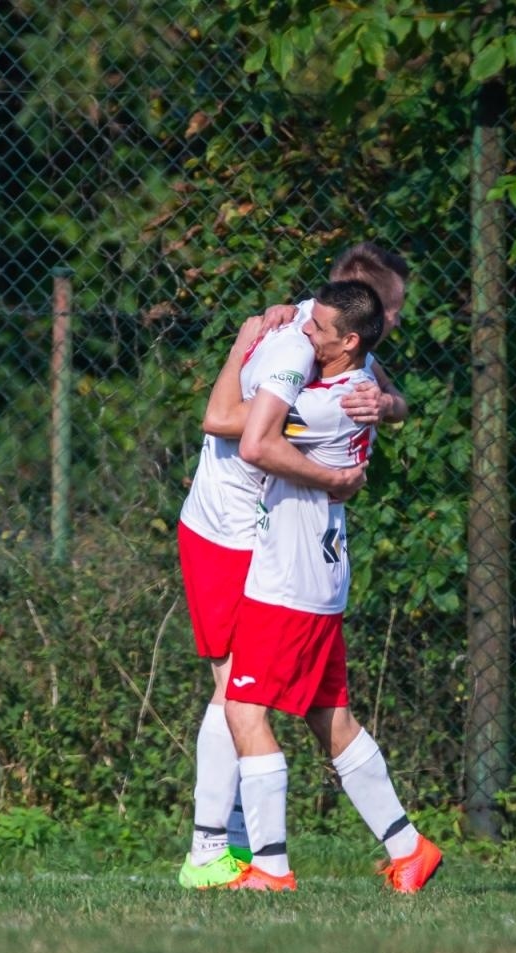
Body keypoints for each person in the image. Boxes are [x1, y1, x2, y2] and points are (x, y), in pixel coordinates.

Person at [176, 243, 410, 889]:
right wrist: (338, 474)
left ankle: (237, 852)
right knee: (238, 693)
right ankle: (218, 849)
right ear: (357, 302)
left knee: (286, 701)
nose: (396, 324)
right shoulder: (295, 344)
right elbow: (228, 424)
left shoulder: (339, 342)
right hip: (233, 529)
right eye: (393, 312)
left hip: (276, 538)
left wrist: (385, 406)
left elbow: (392, 396)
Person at [224, 279, 442, 893]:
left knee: (244, 708)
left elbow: (249, 438)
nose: (306, 334)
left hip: (290, 577)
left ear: (348, 341)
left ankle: (270, 868)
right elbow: (386, 395)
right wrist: (393, 406)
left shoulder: (324, 405)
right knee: (330, 716)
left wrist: (249, 341)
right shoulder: (361, 374)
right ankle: (411, 848)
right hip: (322, 571)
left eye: (317, 329)